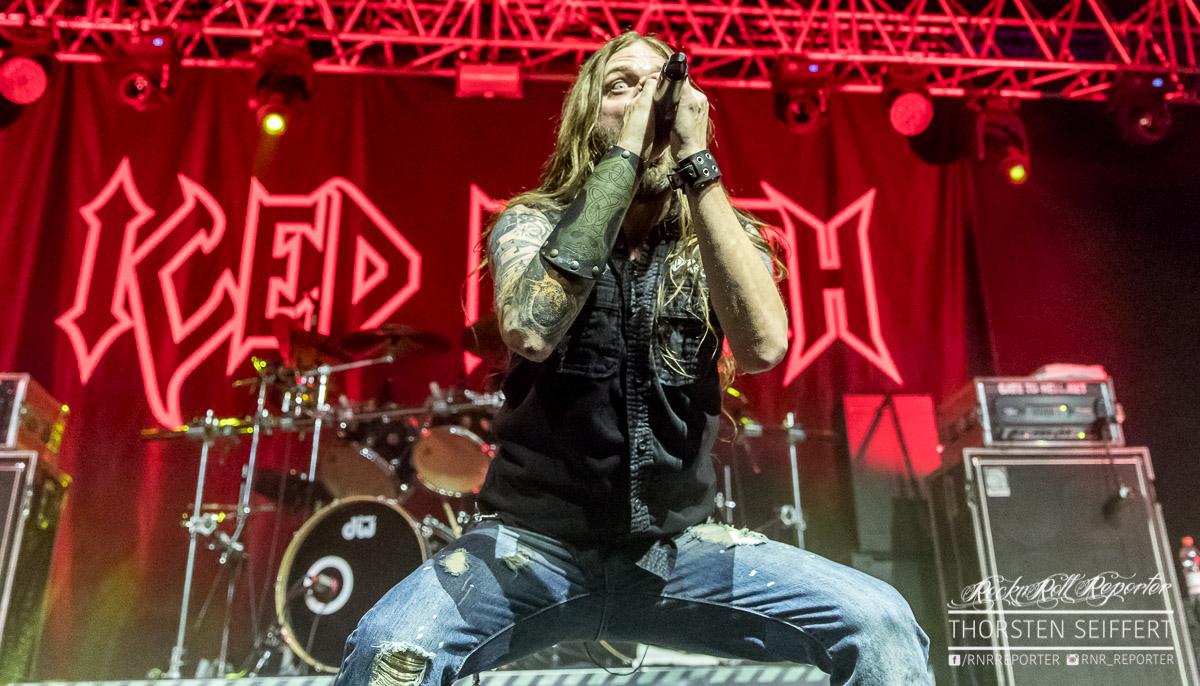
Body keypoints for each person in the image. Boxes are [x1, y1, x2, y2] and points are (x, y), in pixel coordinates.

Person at [332, 31, 934, 686]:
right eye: (622, 85)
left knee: (880, 622)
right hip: (530, 548)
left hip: (679, 554)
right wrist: (626, 152)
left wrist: (697, 162)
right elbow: (530, 330)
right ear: (587, 117)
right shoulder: (532, 223)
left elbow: (764, 347)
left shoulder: (723, 237)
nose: (647, 99)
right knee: (389, 647)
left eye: (659, 86)